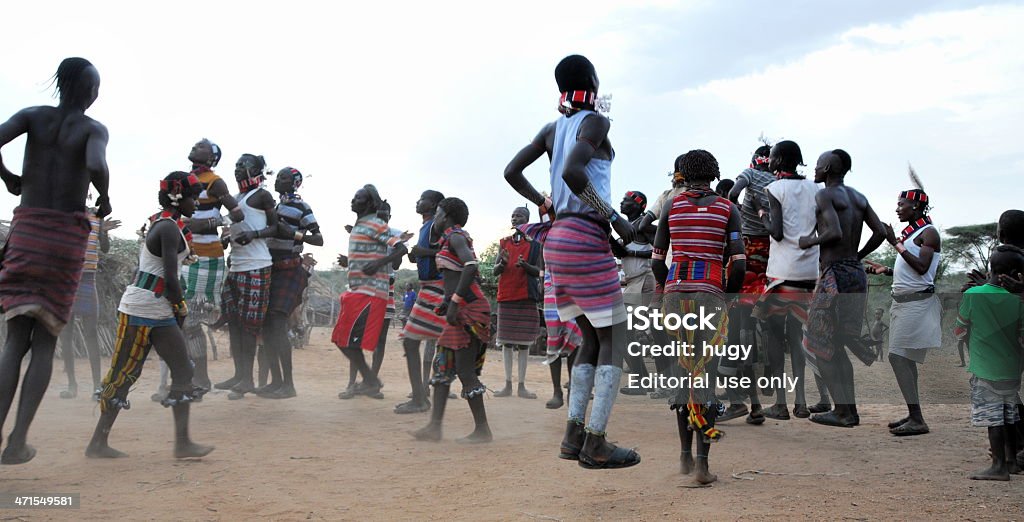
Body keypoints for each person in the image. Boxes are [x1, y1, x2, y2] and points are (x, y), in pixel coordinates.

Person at [504, 54, 639, 469]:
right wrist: (613, 216)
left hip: (558, 239)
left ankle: (572, 436)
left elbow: (512, 172)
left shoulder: (550, 129)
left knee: (591, 339)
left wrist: (544, 203)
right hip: (584, 233)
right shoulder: (595, 122)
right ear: (593, 82)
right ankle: (595, 443)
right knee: (613, 339)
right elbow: (574, 172)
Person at [0, 57, 111, 464]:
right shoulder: (92, 129)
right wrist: (106, 195)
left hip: (27, 231)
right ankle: (17, 441)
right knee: (44, 342)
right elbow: (96, 164)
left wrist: (8, 177)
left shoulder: (32, 116)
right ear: (90, 93)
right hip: (64, 239)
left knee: (15, 340)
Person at [86, 172, 212, 459]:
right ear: (178, 198)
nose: (198, 203)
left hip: (156, 309)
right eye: (194, 197)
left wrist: (174, 308)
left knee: (183, 371)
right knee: (123, 376)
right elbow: (169, 277)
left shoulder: (167, 225)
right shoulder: (167, 228)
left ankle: (183, 444)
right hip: (142, 309)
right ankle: (97, 443)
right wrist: (180, 307)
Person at [652, 149, 745, 486]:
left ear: (683, 173)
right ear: (714, 172)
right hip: (710, 294)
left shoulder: (671, 207)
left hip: (676, 294)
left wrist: (667, 287)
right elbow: (739, 262)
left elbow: (657, 261)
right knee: (704, 375)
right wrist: (729, 298)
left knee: (682, 373)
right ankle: (703, 466)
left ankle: (684, 458)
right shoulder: (727, 208)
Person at [798, 149, 886, 428]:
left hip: (834, 274)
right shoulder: (859, 197)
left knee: (818, 342)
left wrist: (808, 242)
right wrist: (857, 257)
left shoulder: (825, 195)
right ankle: (848, 411)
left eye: (817, 164)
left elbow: (833, 232)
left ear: (826, 167)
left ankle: (843, 411)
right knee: (838, 344)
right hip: (855, 274)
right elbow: (881, 232)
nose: (814, 169)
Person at [751, 140, 830, 420]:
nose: (768, 161)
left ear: (780, 160)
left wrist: (761, 212)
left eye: (771, 157)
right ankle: (802, 402)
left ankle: (781, 404)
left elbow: (777, 232)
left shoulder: (774, 189)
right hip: (809, 272)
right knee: (797, 336)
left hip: (782, 272)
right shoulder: (815, 189)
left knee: (774, 335)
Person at [411, 198, 493, 442]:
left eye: (437, 213)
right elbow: (459, 273)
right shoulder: (450, 238)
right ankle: (434, 427)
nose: (434, 218)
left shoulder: (456, 236)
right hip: (459, 310)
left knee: (465, 371)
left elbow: (470, 266)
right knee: (443, 367)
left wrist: (455, 301)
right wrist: (449, 302)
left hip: (468, 310)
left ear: (445, 216)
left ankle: (482, 431)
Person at [864, 189, 941, 436]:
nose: (897, 209)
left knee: (898, 358)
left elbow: (921, 269)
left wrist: (894, 242)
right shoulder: (914, 233)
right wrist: (886, 271)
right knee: (904, 358)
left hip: (916, 305)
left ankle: (917, 418)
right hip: (904, 304)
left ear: (916, 208)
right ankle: (914, 414)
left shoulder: (928, 233)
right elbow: (910, 270)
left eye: (902, 204)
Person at [954, 246, 1024, 480]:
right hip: (1012, 370)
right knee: (1010, 415)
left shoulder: (973, 295)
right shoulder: (1018, 300)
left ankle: (998, 466)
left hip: (985, 370)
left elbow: (960, 326)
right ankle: (1012, 461)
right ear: (1015, 273)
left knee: (993, 419)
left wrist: (965, 338)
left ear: (990, 269)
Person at [332, 186, 408, 400]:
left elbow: (401, 249)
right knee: (341, 339)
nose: (353, 200)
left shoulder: (377, 224)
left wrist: (377, 264)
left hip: (372, 291)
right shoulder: (360, 226)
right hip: (359, 290)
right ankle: (369, 380)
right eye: (354, 196)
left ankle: (369, 380)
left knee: (348, 340)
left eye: (359, 198)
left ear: (369, 203)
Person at [719, 145, 775, 423]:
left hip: (749, 257)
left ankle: (739, 402)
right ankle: (753, 405)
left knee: (734, 336)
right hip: (773, 260)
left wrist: (737, 213)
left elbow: (732, 193)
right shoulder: (781, 183)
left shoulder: (750, 175)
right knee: (748, 334)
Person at [180, 139, 241, 392]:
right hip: (185, 254)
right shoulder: (185, 179)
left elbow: (237, 214)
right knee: (184, 318)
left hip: (207, 256)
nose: (194, 147)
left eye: (200, 147)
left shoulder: (215, 181)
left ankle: (201, 378)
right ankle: (193, 376)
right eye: (194, 145)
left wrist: (208, 224)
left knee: (192, 320)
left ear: (212, 156)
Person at [216, 154, 278, 400]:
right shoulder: (237, 198)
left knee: (249, 327)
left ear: (256, 170)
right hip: (237, 266)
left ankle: (247, 380)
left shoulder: (262, 195)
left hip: (257, 265)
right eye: (236, 165)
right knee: (234, 324)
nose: (239, 169)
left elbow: (276, 227)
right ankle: (239, 375)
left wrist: (254, 234)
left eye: (244, 165)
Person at [257, 167, 322, 399]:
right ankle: (277, 382)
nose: (278, 180)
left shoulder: (302, 207)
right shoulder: (274, 207)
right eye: (277, 176)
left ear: (295, 183)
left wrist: (293, 235)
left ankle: (288, 385)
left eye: (284, 178)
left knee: (276, 323)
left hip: (289, 270)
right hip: (271, 270)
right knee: (269, 327)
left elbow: (319, 239)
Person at [394, 190, 447, 414]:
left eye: (423, 198)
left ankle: (420, 398)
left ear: (434, 205)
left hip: (437, 287)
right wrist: (417, 255)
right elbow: (429, 253)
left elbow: (448, 248)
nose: (418, 201)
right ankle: (422, 395)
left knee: (412, 340)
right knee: (421, 342)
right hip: (430, 287)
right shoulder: (427, 226)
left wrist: (422, 251)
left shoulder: (436, 224)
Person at [59, 204, 119, 400]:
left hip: (87, 280)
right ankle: (72, 385)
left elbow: (105, 248)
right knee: (66, 334)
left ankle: (96, 386)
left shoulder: (96, 218)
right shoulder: (66, 216)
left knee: (91, 333)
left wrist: (102, 230)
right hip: (67, 279)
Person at [493, 206, 542, 399]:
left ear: (527, 220)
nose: (515, 218)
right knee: (506, 343)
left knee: (523, 344)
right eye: (513, 215)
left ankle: (521, 386)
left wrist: (525, 265)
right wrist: (503, 263)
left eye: (519, 215)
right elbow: (496, 271)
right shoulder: (504, 242)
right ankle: (507, 385)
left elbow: (539, 272)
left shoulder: (536, 244)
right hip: (506, 295)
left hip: (526, 296)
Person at [610, 191, 657, 395]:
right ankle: (643, 379)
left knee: (625, 331)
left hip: (644, 281)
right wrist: (607, 234)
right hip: (633, 284)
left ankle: (644, 380)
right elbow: (620, 252)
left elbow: (661, 250)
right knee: (624, 332)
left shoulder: (644, 225)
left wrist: (633, 252)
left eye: (626, 200)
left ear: (640, 205)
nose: (622, 202)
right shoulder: (627, 228)